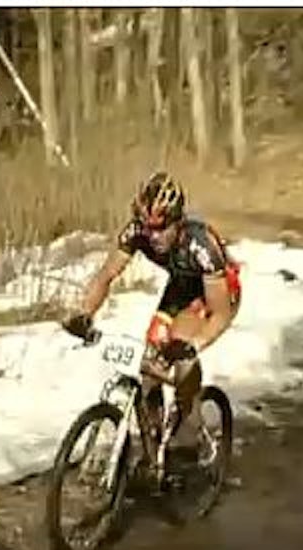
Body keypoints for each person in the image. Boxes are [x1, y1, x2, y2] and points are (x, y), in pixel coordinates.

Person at [61, 172, 241, 470]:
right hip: (182, 287)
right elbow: (107, 275)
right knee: (148, 363)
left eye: (161, 229)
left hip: (217, 292)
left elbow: (219, 314)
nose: (153, 236)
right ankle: (152, 446)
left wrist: (193, 346)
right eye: (148, 228)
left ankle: (189, 428)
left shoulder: (201, 245)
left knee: (180, 346)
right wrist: (84, 315)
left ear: (178, 221)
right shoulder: (138, 232)